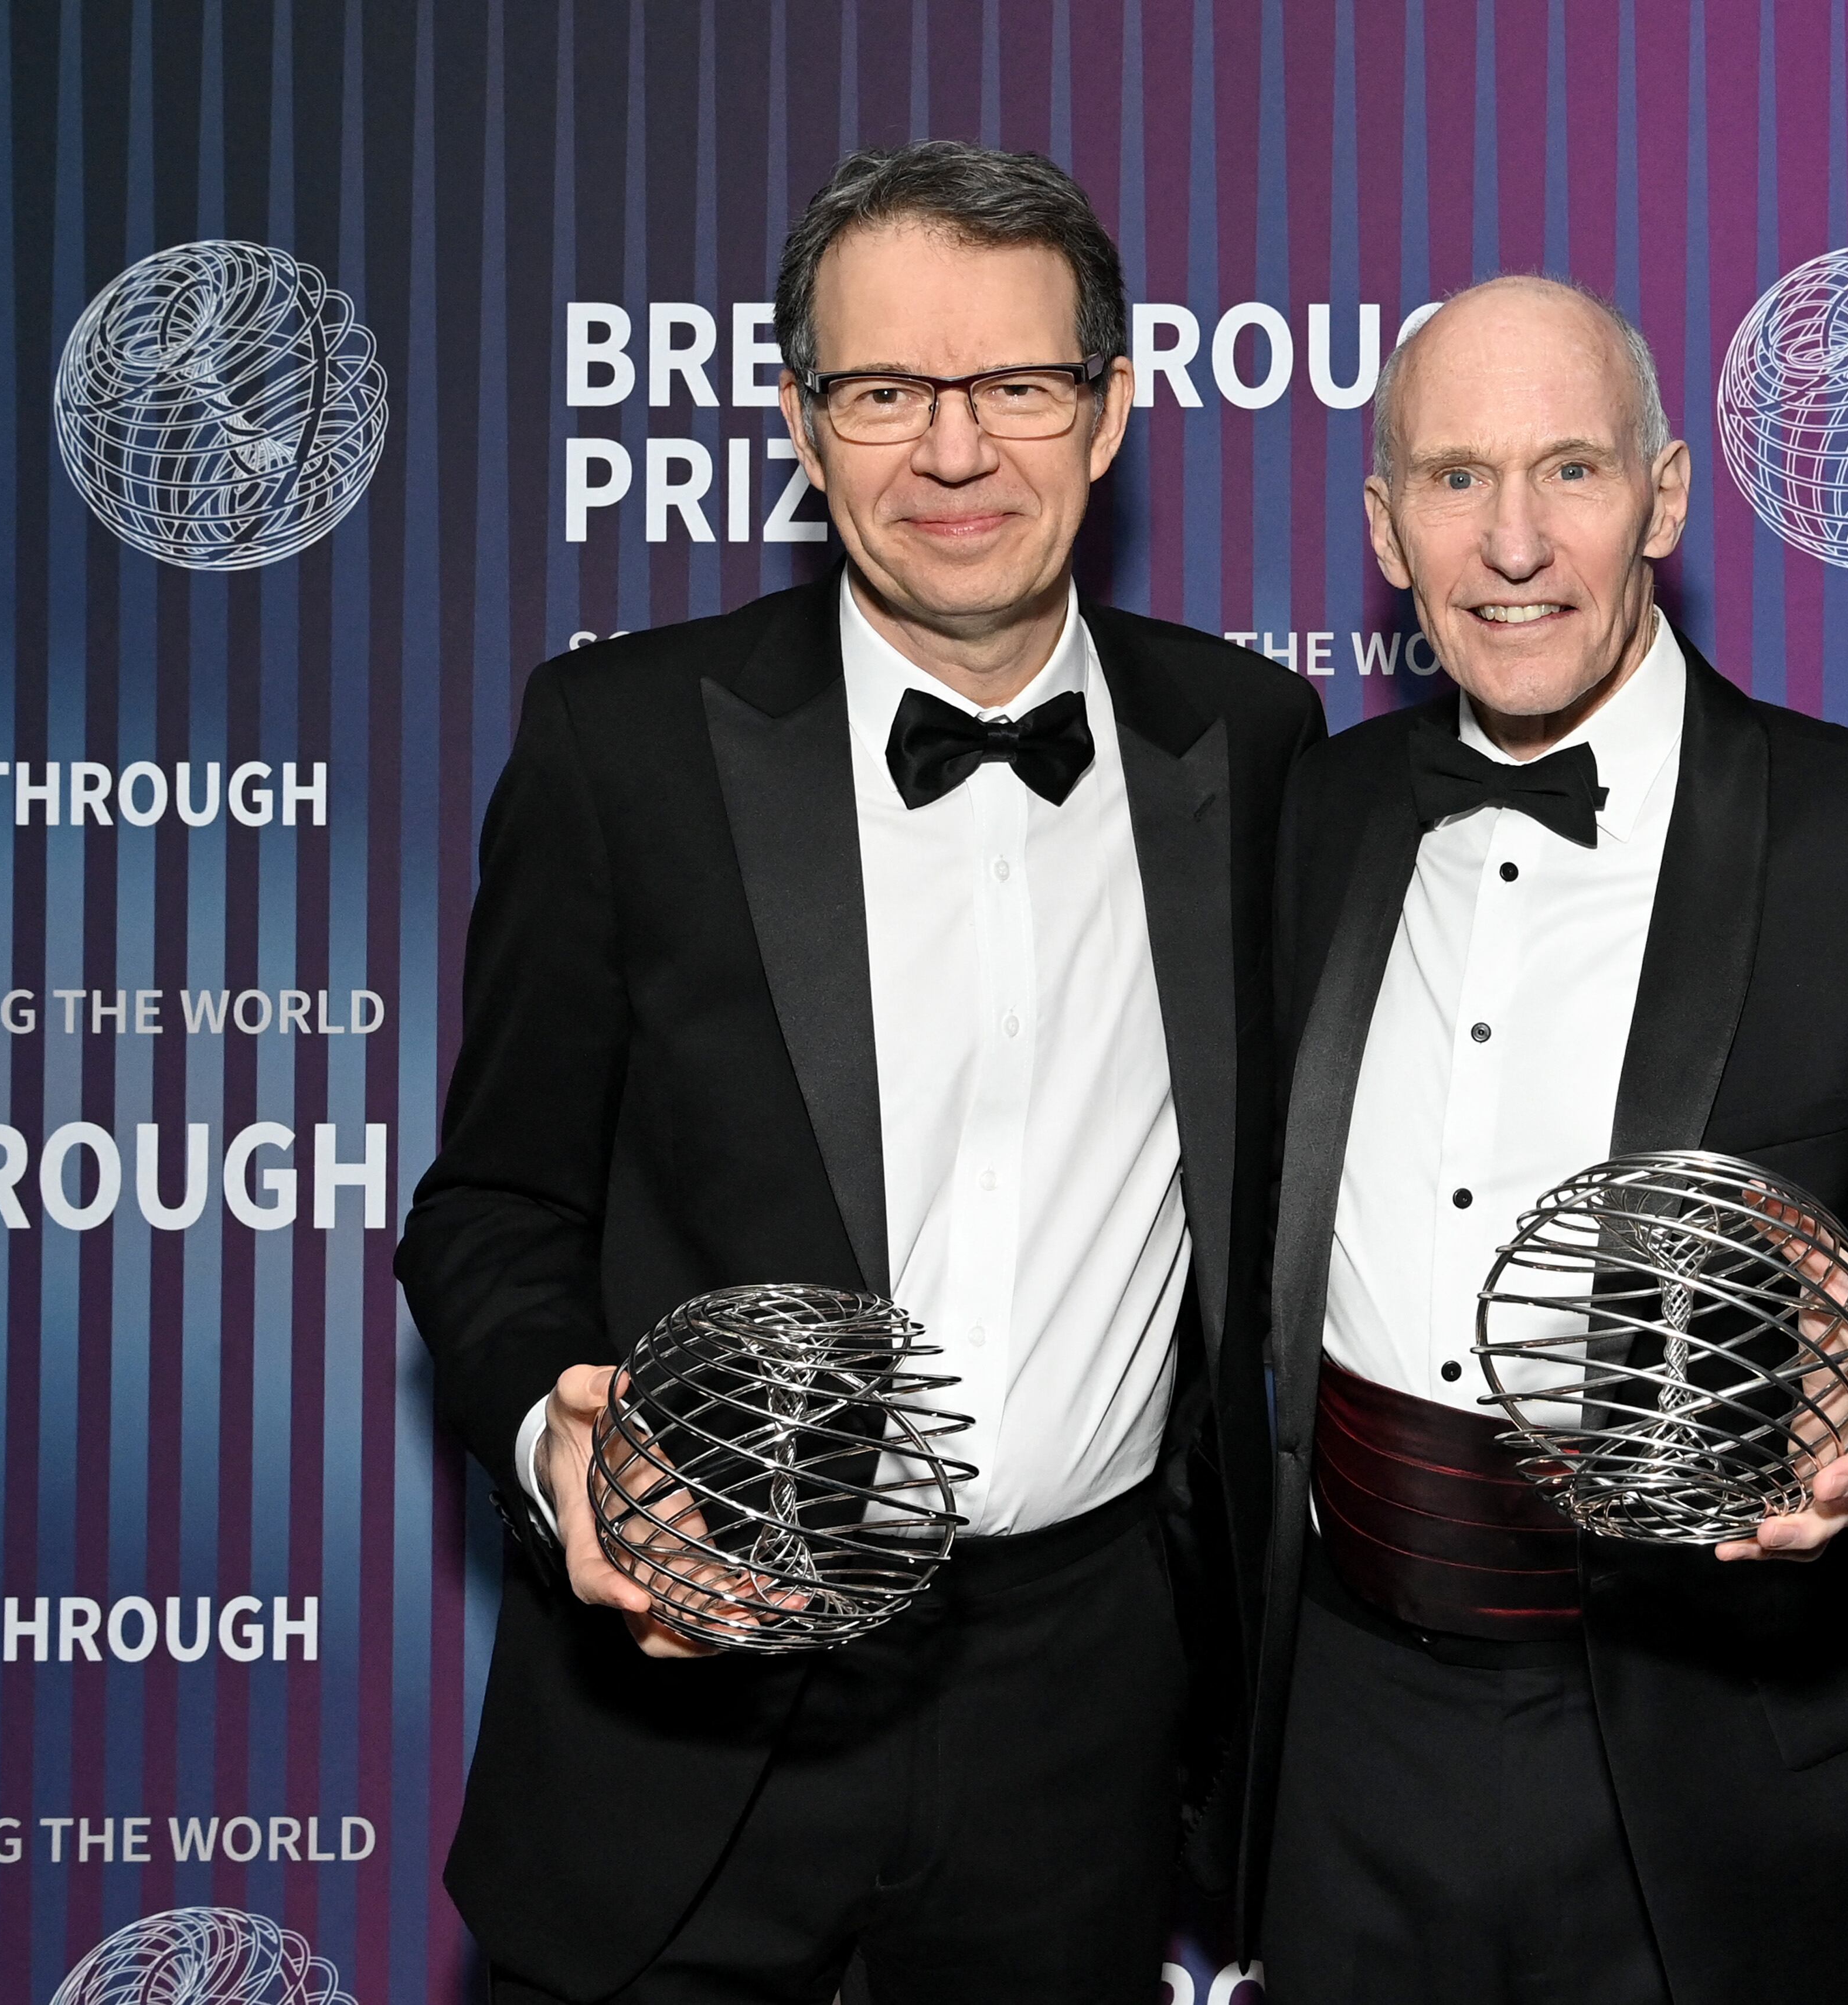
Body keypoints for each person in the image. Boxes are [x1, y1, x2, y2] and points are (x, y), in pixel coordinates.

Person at [398, 140, 1318, 2005]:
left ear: (1114, 411)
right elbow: (489, 1209)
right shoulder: (622, 746)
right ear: (805, 430)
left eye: (1017, 388)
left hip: (1080, 1719)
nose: (954, 453)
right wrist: (554, 1449)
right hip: (685, 1704)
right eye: (886, 391)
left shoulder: (1252, 745)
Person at [1241, 274, 1848, 2004]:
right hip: (1352, 1745)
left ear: (1665, 497)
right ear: (1384, 527)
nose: (1513, 542)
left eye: (1570, 471)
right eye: (1454, 479)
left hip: (1732, 1763)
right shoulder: (1318, 821)